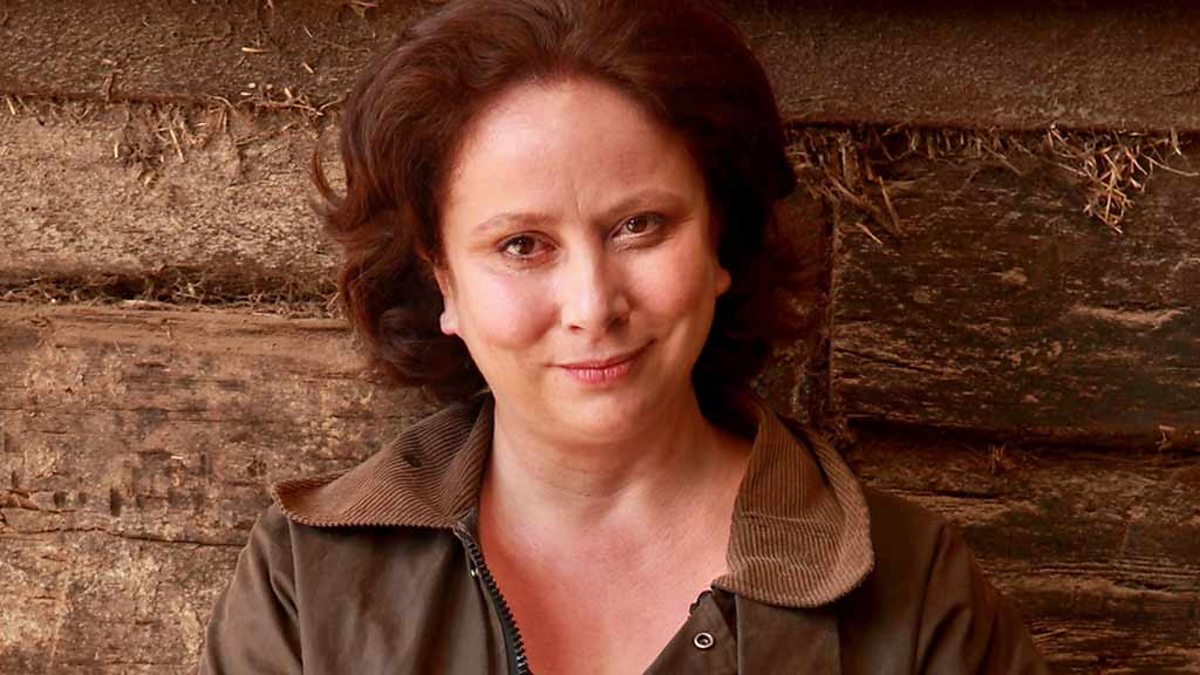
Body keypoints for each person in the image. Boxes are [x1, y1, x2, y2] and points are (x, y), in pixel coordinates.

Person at [199, 0, 1049, 672]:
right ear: (442, 281)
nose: (592, 304)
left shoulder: (914, 590)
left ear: (720, 238)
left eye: (639, 225)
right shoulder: (306, 582)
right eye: (522, 245)